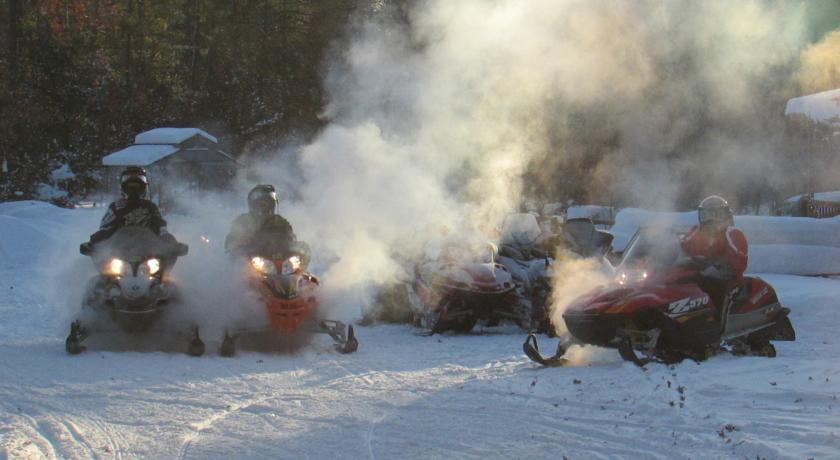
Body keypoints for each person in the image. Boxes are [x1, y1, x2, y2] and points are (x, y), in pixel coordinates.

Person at [680, 195, 748, 321]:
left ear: (726, 216)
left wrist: (713, 266)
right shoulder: (697, 231)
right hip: (700, 275)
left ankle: (713, 325)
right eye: (706, 215)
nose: (711, 220)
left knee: (710, 287)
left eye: (717, 215)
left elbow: (738, 261)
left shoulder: (732, 233)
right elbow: (682, 245)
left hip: (726, 280)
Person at [88, 166, 173, 244]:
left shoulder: (150, 207)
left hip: (149, 249)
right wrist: (97, 239)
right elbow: (106, 228)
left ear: (144, 187)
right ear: (123, 187)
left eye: (137, 187)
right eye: (130, 187)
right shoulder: (116, 207)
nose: (134, 190)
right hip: (118, 250)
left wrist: (168, 238)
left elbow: (160, 226)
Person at [224, 184, 297, 256]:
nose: (265, 206)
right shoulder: (243, 221)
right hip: (249, 261)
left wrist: (298, 247)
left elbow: (291, 240)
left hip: (278, 260)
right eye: (262, 203)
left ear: (273, 204)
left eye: (268, 203)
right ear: (254, 204)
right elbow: (231, 243)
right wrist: (238, 245)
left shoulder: (281, 222)